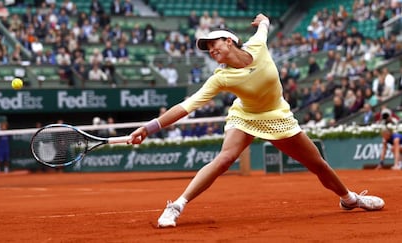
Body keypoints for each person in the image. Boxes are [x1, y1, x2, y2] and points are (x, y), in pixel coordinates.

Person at [127, 14, 385, 228]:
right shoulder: (220, 78)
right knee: (225, 159)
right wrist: (149, 128)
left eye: (214, 42)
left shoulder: (257, 45)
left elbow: (264, 25)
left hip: (277, 115)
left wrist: (263, 20)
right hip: (245, 116)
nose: (211, 49)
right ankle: (176, 206)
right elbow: (186, 106)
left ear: (229, 41)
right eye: (207, 48)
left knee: (316, 162)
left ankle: (349, 199)